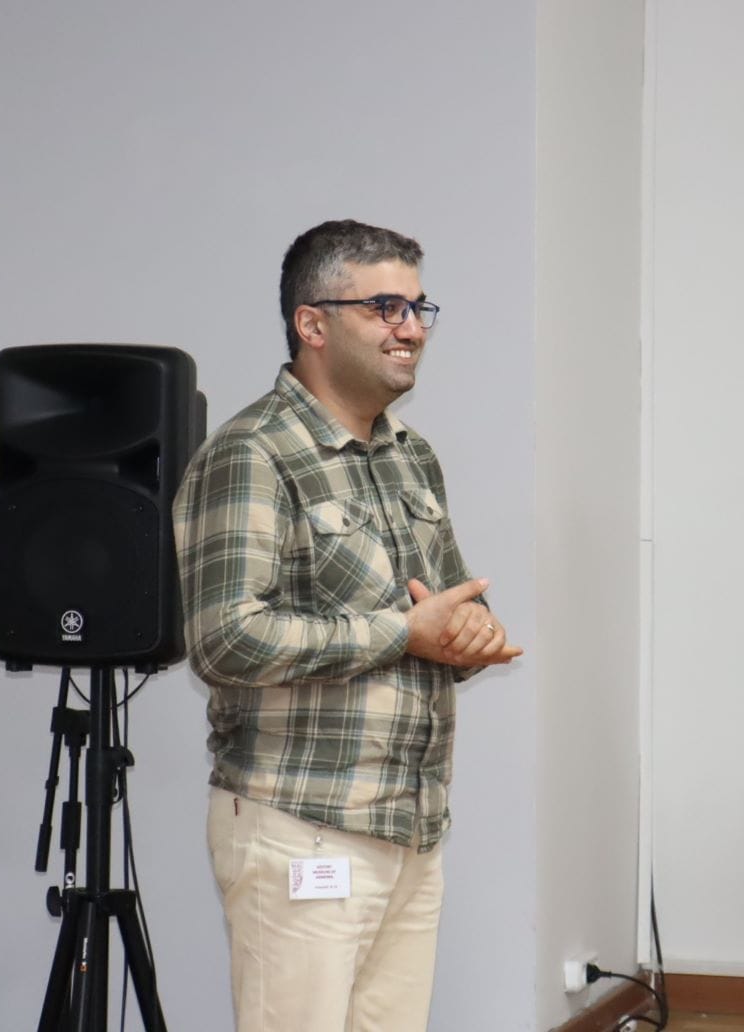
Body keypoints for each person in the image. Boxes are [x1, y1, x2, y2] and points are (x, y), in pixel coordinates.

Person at [172, 219, 521, 1032]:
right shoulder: (252, 453)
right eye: (385, 307)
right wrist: (402, 633)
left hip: (409, 826)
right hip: (302, 829)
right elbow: (225, 639)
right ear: (312, 324)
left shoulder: (411, 455)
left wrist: (468, 634)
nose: (412, 328)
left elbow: (443, 609)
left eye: (419, 307)